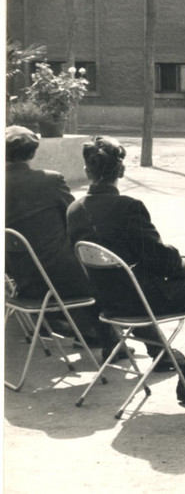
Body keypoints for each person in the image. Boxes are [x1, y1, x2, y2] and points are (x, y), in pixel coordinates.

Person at [67, 136, 185, 406]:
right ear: (121, 171)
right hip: (139, 299)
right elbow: (158, 258)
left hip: (107, 301)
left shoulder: (74, 209)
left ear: (87, 171)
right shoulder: (127, 207)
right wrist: (182, 271)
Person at [5, 126, 118, 358]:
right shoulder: (50, 180)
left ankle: (85, 330)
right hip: (54, 278)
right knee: (102, 267)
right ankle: (107, 340)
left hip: (18, 278)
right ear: (32, 153)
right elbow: (77, 216)